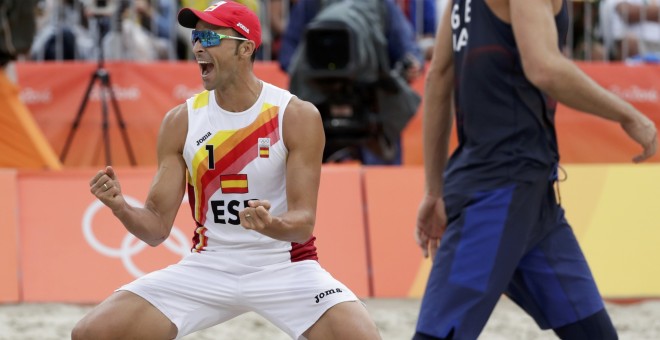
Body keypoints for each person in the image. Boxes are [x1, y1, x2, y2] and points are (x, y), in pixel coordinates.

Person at [71, 2, 381, 339]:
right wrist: (120, 207)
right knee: (91, 333)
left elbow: (302, 225)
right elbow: (156, 230)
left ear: (245, 48)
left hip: (283, 266)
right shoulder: (181, 121)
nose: (198, 46)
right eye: (195, 37)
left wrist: (271, 224)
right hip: (210, 265)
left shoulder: (294, 115)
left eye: (209, 36)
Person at [413, 0, 657, 339]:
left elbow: (438, 78)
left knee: (594, 335)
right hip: (498, 191)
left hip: (533, 199)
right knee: (437, 335)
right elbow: (544, 67)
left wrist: (434, 190)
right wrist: (627, 114)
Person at [279, 0, 424, 165]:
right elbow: (288, 54)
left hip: (369, 100)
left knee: (382, 173)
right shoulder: (310, 4)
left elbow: (407, 48)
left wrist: (413, 62)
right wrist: (313, 73)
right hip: (318, 102)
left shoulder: (381, 5)